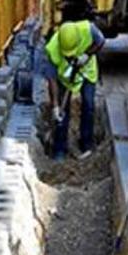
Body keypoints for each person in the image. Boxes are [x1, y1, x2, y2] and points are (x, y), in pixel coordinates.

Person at [43, 20, 105, 160]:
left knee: (88, 105)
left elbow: (101, 41)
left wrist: (87, 54)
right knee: (62, 114)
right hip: (65, 78)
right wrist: (55, 106)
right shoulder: (52, 48)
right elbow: (52, 80)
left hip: (87, 72)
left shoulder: (88, 29)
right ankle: (60, 149)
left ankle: (87, 143)